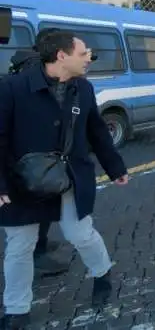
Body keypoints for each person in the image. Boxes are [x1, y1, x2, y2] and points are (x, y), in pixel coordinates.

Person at [0, 31, 129, 328]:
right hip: (22, 180)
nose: (89, 58)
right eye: (84, 53)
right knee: (20, 245)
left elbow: (96, 130)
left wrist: (115, 166)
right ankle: (16, 310)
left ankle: (102, 273)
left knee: (80, 234)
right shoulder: (12, 88)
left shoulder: (83, 88)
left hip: (71, 176)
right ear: (61, 55)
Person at [6, 28, 72, 279]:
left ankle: (37, 246)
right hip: (35, 159)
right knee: (35, 209)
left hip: (27, 156)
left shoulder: (23, 61)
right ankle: (38, 253)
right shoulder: (37, 69)